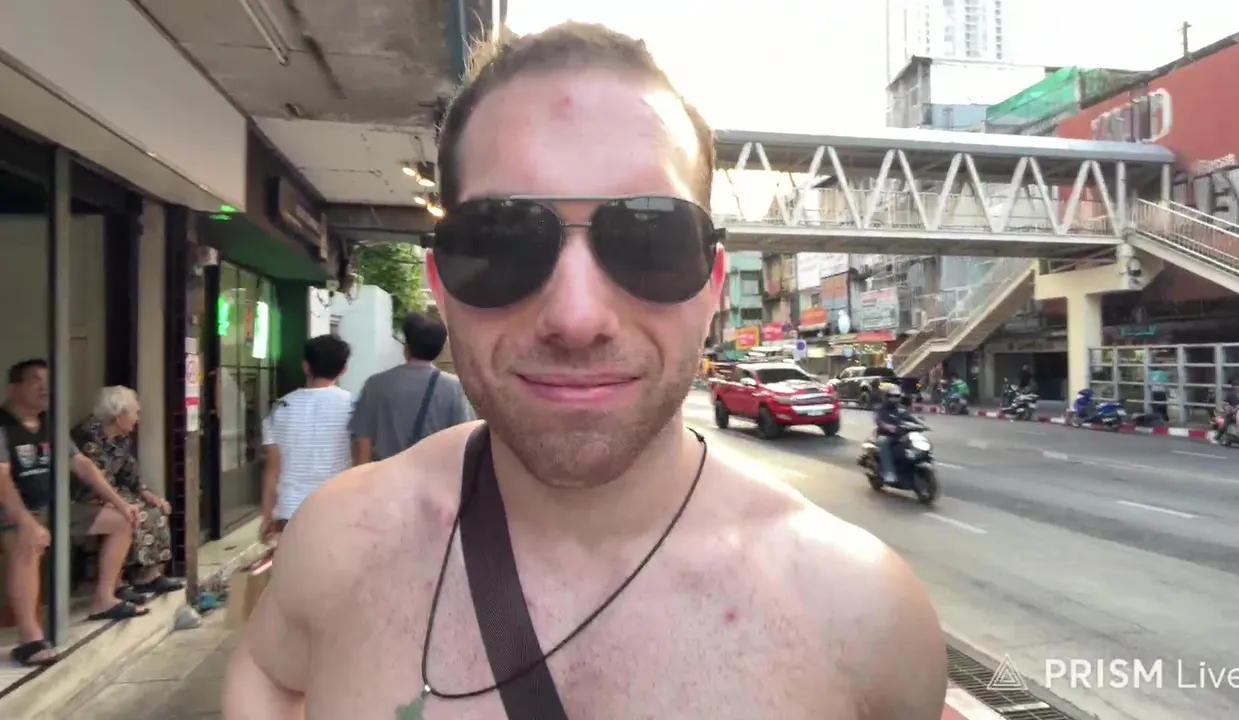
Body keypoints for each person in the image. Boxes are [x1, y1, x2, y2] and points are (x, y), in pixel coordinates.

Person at [225, 22, 946, 720]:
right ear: (440, 286)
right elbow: (264, 673)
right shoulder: (341, 544)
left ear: (713, 285)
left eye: (651, 240)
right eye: (503, 242)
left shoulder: (863, 618)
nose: (576, 317)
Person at [0, 360, 146, 668]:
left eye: (48, 381)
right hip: (12, 511)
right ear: (15, 387)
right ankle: (30, 639)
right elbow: (2, 480)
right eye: (35, 380)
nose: (45, 388)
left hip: (55, 508)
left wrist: (121, 503)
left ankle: (104, 599)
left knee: (122, 522)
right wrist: (26, 521)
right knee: (28, 542)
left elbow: (82, 465)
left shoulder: (50, 423)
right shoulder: (3, 425)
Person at [72, 386, 183, 600]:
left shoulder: (121, 437)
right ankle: (118, 581)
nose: (138, 419)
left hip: (114, 491)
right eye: (135, 413)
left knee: (155, 509)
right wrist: (120, 502)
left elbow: (129, 473)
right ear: (119, 414)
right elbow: (94, 480)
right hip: (86, 495)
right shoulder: (87, 435)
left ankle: (148, 575)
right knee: (134, 513)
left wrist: (147, 493)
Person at [260, 335, 353, 540]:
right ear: (343, 370)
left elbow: (272, 469)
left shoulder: (280, 408)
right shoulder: (352, 406)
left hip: (290, 510)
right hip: (336, 509)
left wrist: (267, 516)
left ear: (305, 366)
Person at [350, 312, 474, 464]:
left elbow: (363, 440)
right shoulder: (454, 388)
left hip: (384, 474)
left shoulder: (375, 385)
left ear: (407, 346)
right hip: (433, 474)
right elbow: (463, 440)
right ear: (440, 349)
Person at [874, 384, 907, 484]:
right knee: (883, 442)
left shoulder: (901, 409)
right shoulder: (881, 409)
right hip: (886, 435)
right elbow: (878, 420)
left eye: (897, 396)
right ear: (886, 397)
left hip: (900, 435)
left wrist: (920, 423)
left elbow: (910, 418)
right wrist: (887, 426)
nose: (895, 399)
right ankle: (889, 473)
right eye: (893, 396)